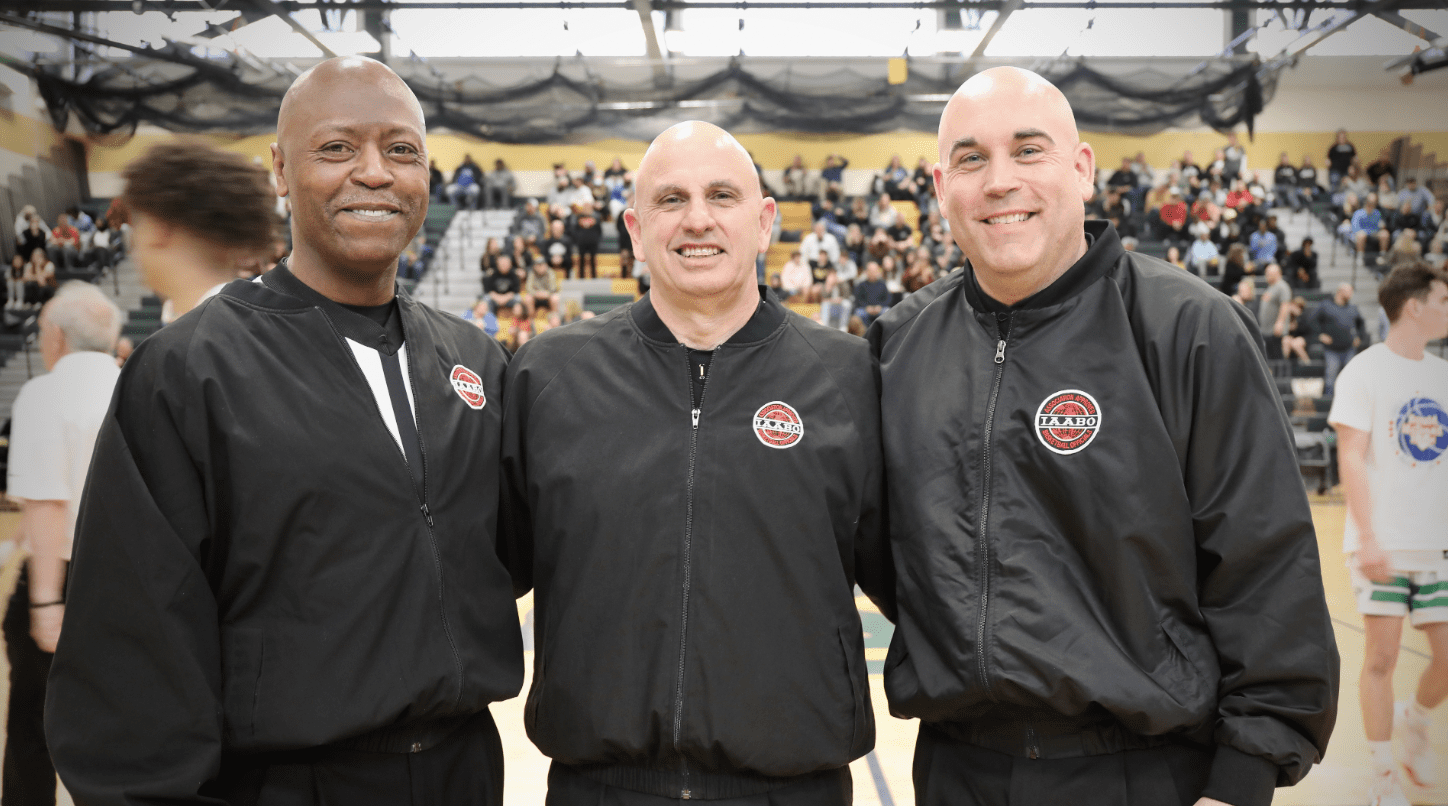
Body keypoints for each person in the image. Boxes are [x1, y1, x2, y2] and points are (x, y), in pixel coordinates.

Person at [45, 56, 523, 806]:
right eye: (337, 148)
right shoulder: (190, 368)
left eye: (402, 149)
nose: (374, 172)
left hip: (463, 770)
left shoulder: (474, 361)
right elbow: (131, 640)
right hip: (282, 782)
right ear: (278, 169)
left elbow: (499, 552)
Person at [869, 66, 1337, 806]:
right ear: (938, 188)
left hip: (1145, 770)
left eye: (1029, 151)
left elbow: (1264, 559)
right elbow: (879, 547)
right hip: (956, 769)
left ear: (1081, 169)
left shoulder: (1189, 329)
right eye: (970, 159)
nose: (999, 181)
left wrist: (1248, 770)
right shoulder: (896, 345)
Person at [500, 120, 892, 805]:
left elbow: (907, 572)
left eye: (722, 196)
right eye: (671, 199)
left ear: (765, 221)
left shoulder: (849, 377)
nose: (698, 219)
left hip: (793, 786)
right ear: (634, 229)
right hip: (600, 785)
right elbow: (492, 566)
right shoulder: (549, 376)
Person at [1328, 262, 1448, 806]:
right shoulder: (1364, 371)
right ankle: (1382, 777)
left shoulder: (1441, 375)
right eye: (1443, 298)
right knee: (1382, 659)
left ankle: (1416, 722)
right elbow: (1350, 457)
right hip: (1383, 544)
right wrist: (1369, 537)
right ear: (1416, 305)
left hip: (1436, 542)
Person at [4, 282, 122, 806]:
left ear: (54, 335)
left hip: (68, 575)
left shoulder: (44, 394)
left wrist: (46, 600)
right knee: (121, 721)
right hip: (132, 579)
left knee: (35, 723)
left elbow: (49, 501)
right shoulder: (135, 383)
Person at [117, 139, 281, 320]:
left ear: (158, 229)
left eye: (138, 223)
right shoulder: (267, 319)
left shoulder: (179, 342)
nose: (134, 241)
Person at [1312, 282, 1367, 396]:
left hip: (1349, 348)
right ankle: (1328, 403)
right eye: (1349, 291)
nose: (1351, 294)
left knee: (1350, 377)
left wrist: (1359, 337)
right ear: (1340, 291)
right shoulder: (1326, 305)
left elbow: (1361, 324)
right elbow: (1312, 320)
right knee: (1331, 376)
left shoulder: (1352, 308)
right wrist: (1320, 335)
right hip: (1332, 350)